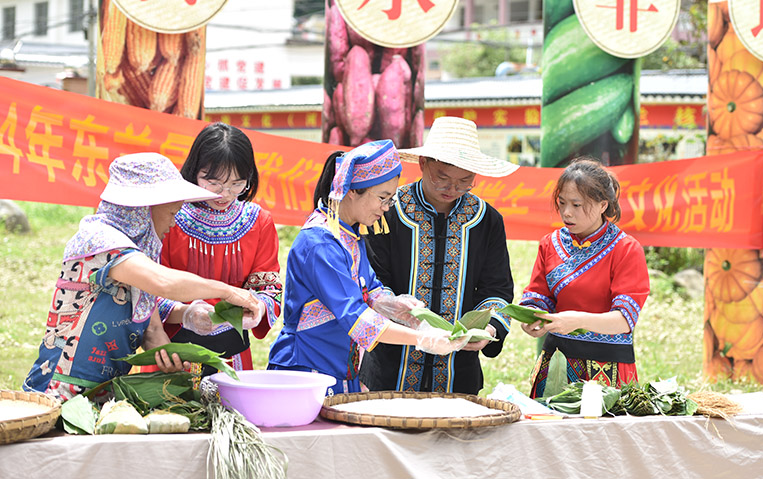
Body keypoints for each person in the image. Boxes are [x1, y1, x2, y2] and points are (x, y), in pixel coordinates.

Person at [23, 152, 261, 402]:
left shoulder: (140, 255)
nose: (173, 222)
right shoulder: (99, 239)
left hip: (104, 394)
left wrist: (177, 354)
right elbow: (163, 283)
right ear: (142, 209)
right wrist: (228, 292)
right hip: (61, 391)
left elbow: (152, 330)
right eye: (171, 213)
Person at [268, 139, 468, 394]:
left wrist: (393, 305)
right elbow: (356, 318)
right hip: (307, 369)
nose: (385, 208)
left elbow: (368, 287)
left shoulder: (348, 233)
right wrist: (423, 339)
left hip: (340, 367)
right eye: (383, 198)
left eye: (391, 200)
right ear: (352, 190)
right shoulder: (320, 244)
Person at [360, 117, 518, 395]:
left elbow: (498, 289)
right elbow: (371, 279)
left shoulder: (487, 220)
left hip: (459, 371)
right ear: (423, 164)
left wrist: (488, 330)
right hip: (390, 367)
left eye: (465, 181)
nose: (452, 189)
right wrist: (397, 308)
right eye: (442, 178)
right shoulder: (387, 212)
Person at [519, 157, 650, 397]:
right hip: (557, 362)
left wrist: (577, 320)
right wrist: (532, 317)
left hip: (608, 368)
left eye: (577, 205)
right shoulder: (550, 244)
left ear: (603, 205)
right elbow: (539, 296)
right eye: (562, 203)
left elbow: (624, 320)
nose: (567, 213)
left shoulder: (626, 249)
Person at [155, 123, 281, 374]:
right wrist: (186, 313)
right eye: (213, 183)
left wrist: (258, 308)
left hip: (233, 349)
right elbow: (148, 287)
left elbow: (268, 287)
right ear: (194, 172)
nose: (225, 194)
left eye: (237, 184)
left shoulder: (258, 221)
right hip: (175, 349)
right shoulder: (169, 216)